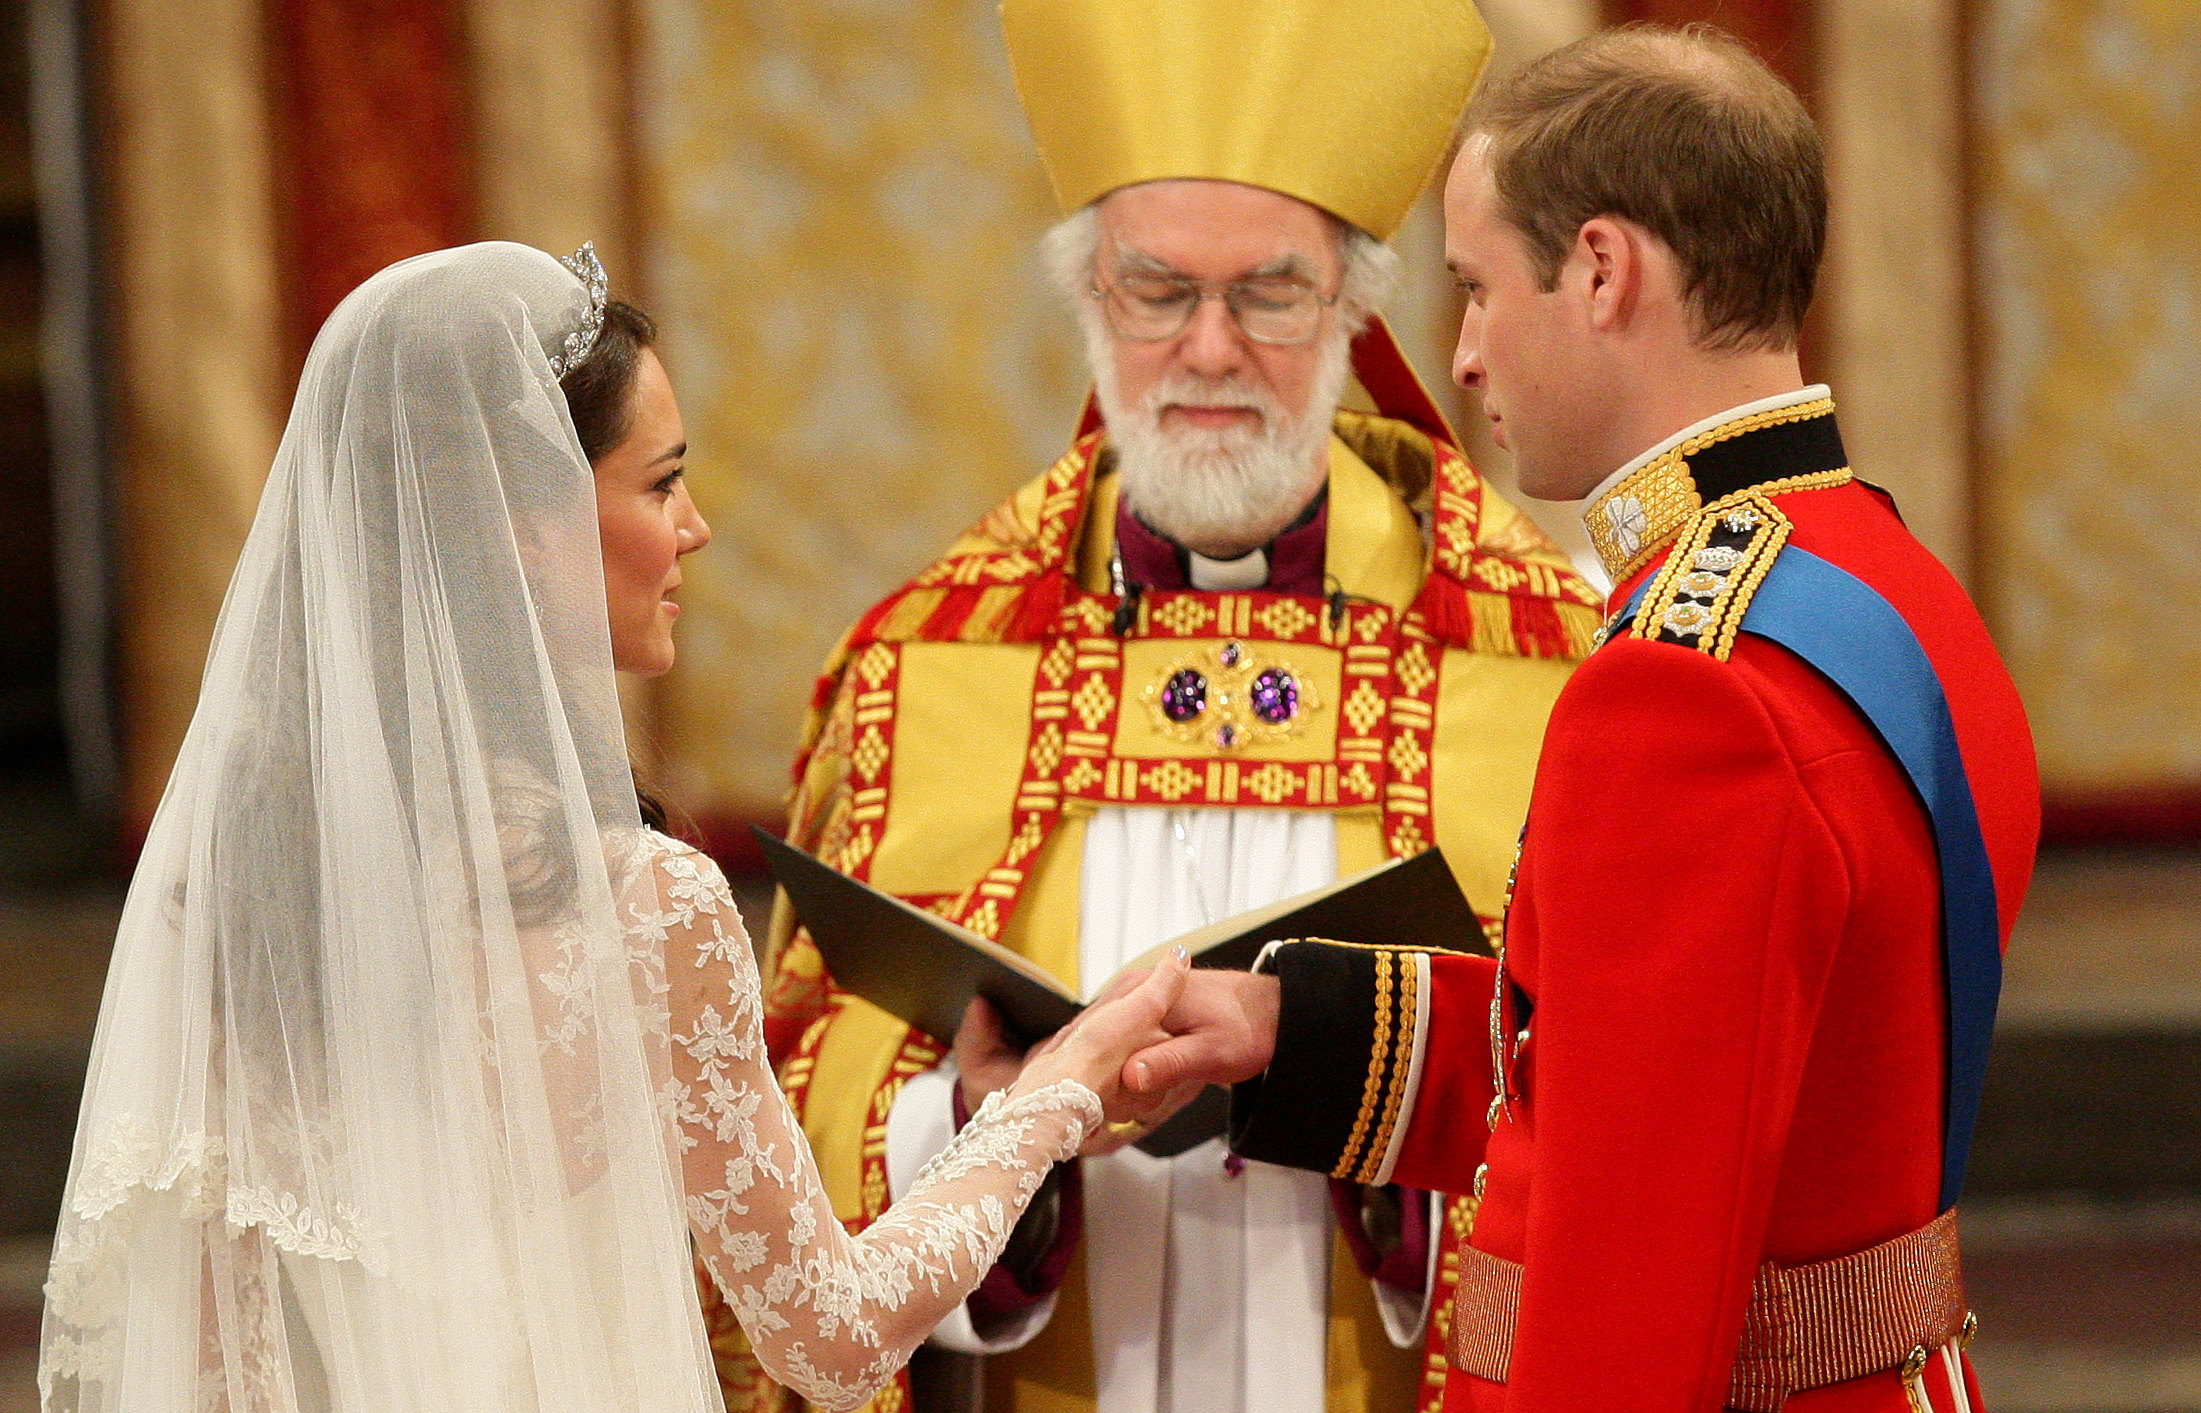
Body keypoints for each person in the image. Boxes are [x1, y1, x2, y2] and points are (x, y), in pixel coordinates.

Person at [37, 241, 1184, 1413]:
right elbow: (832, 1338)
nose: (694, 528)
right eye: (660, 482)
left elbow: (206, 1367)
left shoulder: (237, 902)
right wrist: (1061, 1088)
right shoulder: (647, 910)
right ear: (522, 525)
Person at [1122, 26, 2042, 1413]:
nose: (1466, 355)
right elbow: (1670, 1059)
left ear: (1601, 273)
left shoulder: (1682, 688)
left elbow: (1630, 1265)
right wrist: (1290, 1026)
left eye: (1478, 289)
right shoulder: (1883, 579)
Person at [725, 3, 1603, 1412]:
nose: (1208, 350)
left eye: (1267, 293)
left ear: (1350, 309)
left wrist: (1377, 1109)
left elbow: (1618, 1097)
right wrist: (979, 1129)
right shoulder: (929, 663)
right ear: (1091, 304)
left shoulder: (1545, 669)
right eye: (1155, 292)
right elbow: (788, 1106)